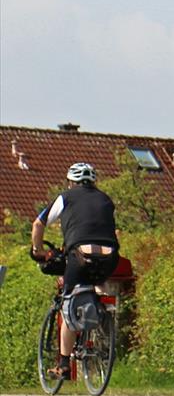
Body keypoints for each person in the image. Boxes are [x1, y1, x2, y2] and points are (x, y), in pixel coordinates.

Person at [30, 162, 120, 380]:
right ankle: (100, 310)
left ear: (70, 182)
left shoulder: (65, 197)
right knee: (95, 282)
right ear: (94, 181)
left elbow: (38, 225)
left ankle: (63, 365)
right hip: (110, 257)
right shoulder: (106, 199)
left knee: (68, 305)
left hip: (79, 255)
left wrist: (38, 250)